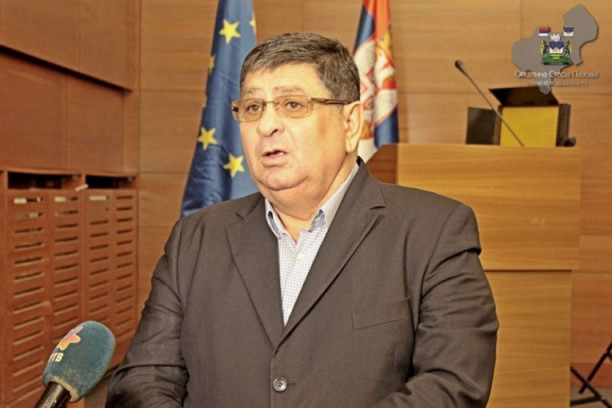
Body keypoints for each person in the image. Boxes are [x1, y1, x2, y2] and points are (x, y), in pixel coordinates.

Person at [106, 32, 498, 408]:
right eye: (253, 108)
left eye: (292, 104)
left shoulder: (434, 231)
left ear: (350, 123)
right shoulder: (195, 238)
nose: (266, 125)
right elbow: (142, 380)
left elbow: (453, 385)